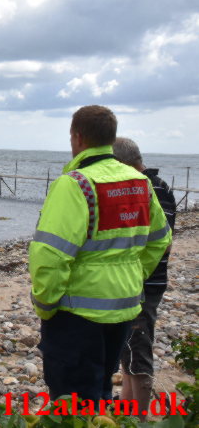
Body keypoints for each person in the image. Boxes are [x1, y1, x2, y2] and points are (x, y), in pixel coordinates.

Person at [28, 105, 172, 403]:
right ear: (111, 137)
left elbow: (50, 254)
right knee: (101, 391)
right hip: (123, 307)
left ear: (77, 137)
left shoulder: (76, 184)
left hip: (76, 313)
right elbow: (160, 240)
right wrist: (131, 275)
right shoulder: (140, 182)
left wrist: (45, 303)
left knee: (72, 404)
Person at [113, 137, 176, 420]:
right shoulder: (153, 186)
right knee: (128, 348)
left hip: (144, 283)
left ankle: (137, 416)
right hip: (143, 280)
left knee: (138, 347)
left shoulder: (151, 189)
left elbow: (153, 239)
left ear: (125, 164)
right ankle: (126, 405)